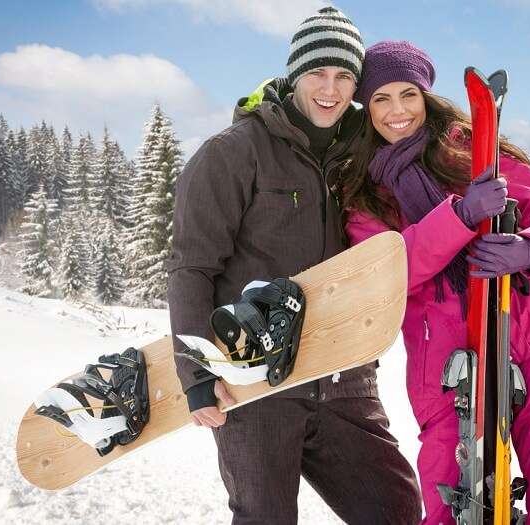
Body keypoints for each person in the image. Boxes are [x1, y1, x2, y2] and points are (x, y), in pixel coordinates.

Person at [166, 12, 422, 525]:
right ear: (294, 72)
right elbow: (191, 266)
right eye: (318, 73)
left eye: (345, 76)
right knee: (265, 516)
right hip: (257, 384)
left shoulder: (363, 147)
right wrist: (196, 371)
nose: (330, 89)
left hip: (345, 376)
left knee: (395, 511)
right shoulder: (234, 153)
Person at [343, 41, 530, 525]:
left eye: (408, 95)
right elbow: (386, 272)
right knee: (452, 503)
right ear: (366, 107)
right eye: (381, 98)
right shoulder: (365, 196)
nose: (397, 110)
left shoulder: (468, 148)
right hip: (448, 364)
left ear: (426, 96)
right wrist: (460, 216)